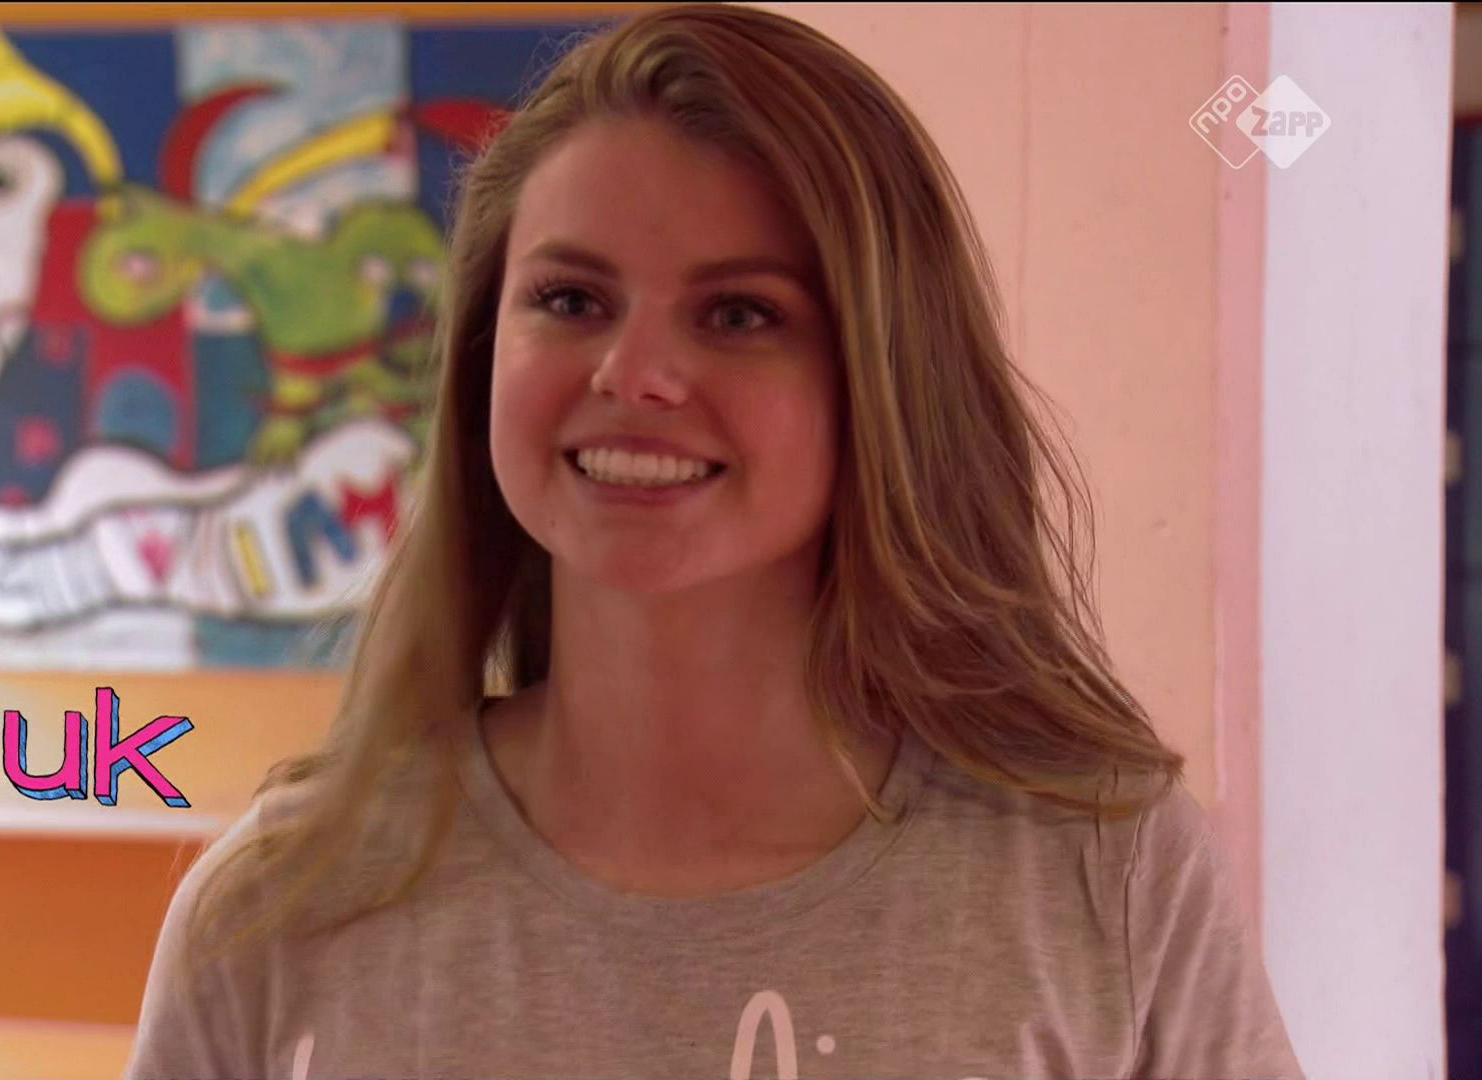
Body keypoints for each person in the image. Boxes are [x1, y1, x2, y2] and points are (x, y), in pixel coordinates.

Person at [126, 5, 1307, 1079]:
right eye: (571, 300)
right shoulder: (278, 906)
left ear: (886, 382)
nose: (632, 373)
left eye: (740, 314)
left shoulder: (1106, 880)